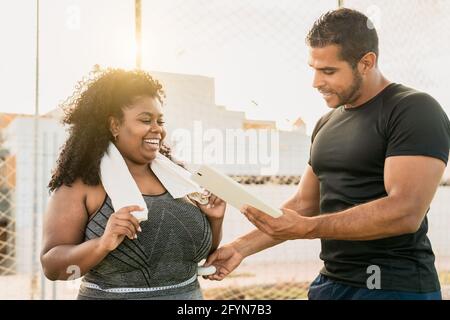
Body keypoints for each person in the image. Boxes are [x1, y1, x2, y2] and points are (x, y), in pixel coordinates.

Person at [205, 8, 450, 300]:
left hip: (394, 287)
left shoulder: (413, 109)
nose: (316, 82)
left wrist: (306, 229)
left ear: (366, 63)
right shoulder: (326, 122)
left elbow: (405, 211)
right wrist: (240, 248)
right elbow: (304, 203)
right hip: (330, 284)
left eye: (329, 71)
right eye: (314, 69)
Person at [40, 68, 226, 300]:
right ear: (114, 125)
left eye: (160, 120)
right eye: (145, 120)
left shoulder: (179, 180)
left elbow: (189, 256)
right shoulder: (82, 185)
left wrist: (215, 220)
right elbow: (53, 267)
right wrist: (101, 245)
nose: (157, 128)